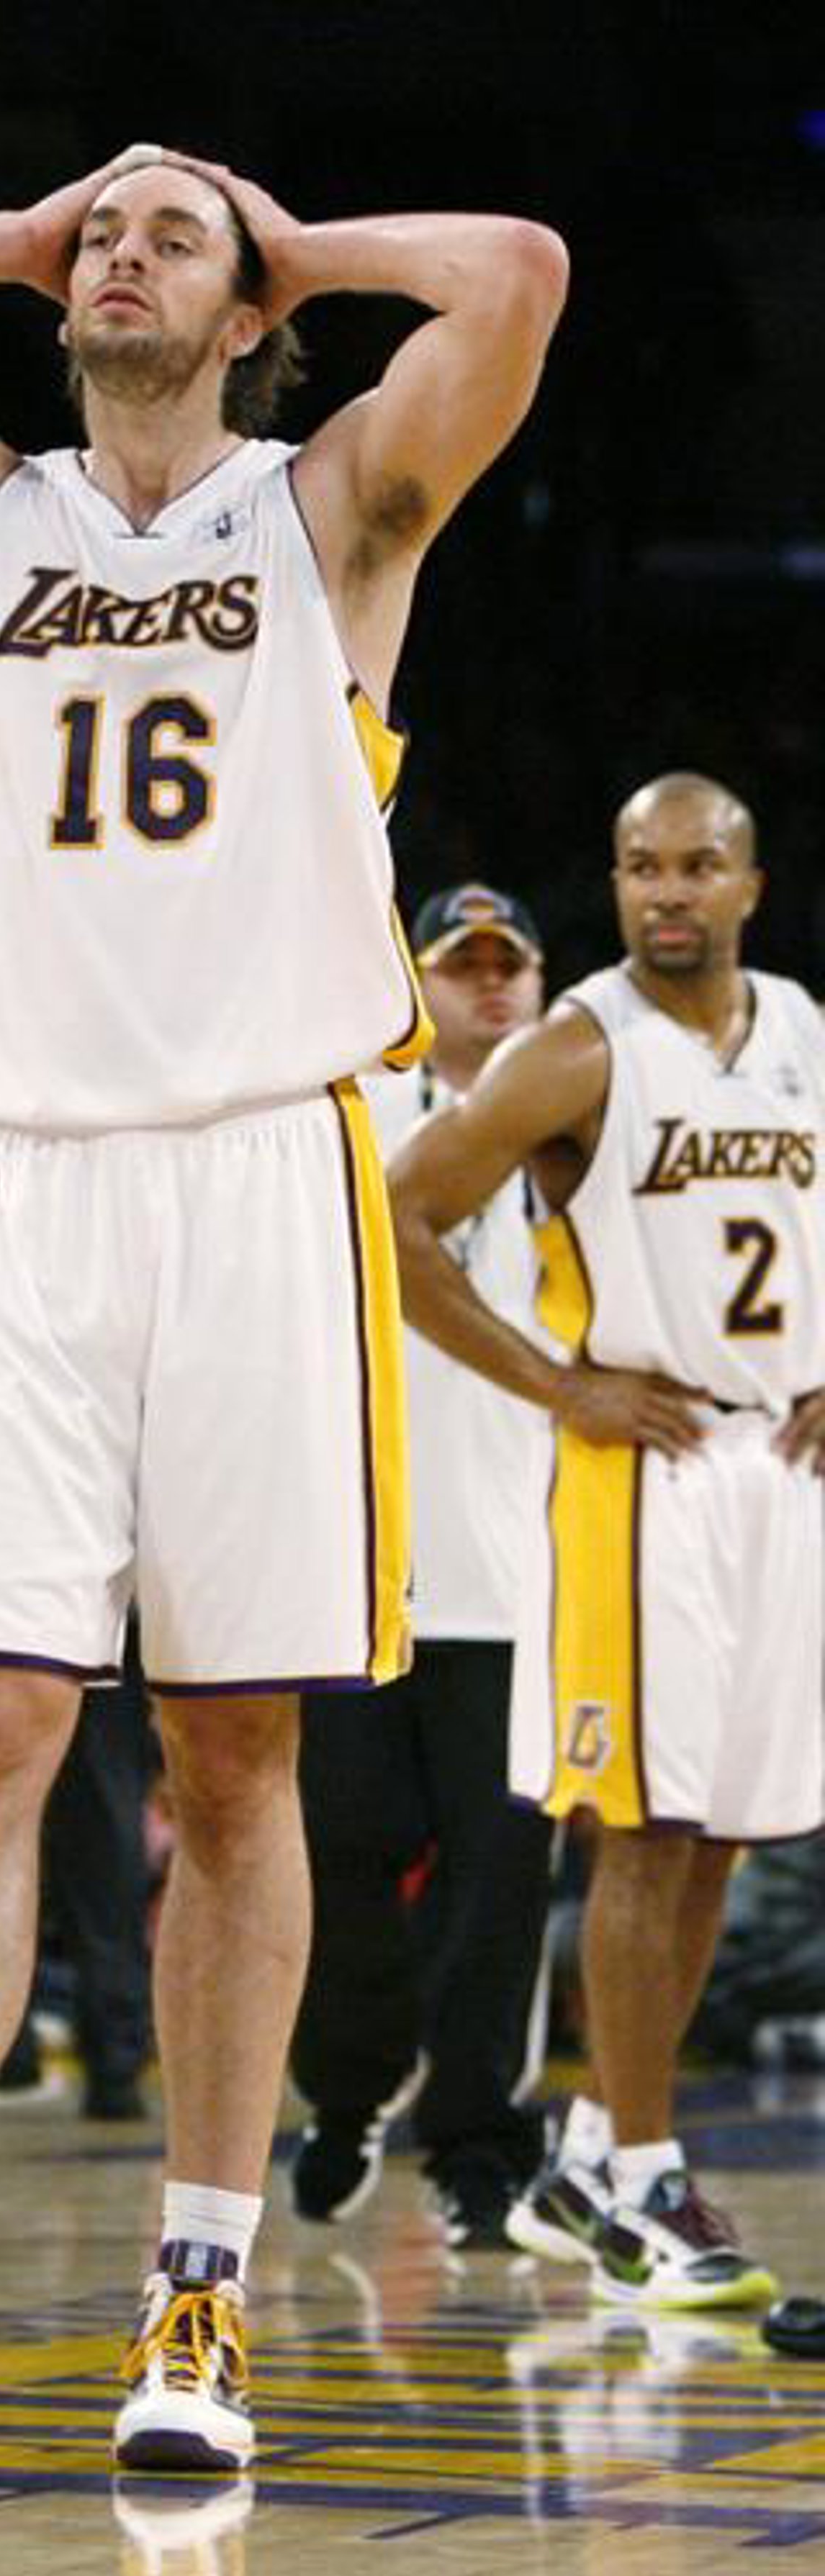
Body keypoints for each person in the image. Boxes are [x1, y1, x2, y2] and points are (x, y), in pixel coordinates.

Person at [0, 142, 567, 2467]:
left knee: (233, 1754)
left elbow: (517, 272)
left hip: (271, 1169)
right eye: (101, 232)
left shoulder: (334, 508)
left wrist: (291, 242)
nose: (121, 249)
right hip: (30, 1176)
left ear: (249, 306)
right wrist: (5, 233)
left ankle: (202, 2300)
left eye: (172, 235)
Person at [387, 770, 825, 2311]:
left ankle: (589, 2160)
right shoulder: (578, 1047)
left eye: (698, 866)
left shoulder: (803, 1034)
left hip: (776, 1466)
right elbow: (399, 1221)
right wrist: (560, 1384)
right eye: (643, 866)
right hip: (640, 1474)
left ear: (750, 885)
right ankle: (642, 2179)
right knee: (641, 1831)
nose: (668, 892)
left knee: (713, 1837)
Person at [290, 883, 553, 2246]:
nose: (492, 983)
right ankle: (346, 2094)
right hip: (356, 1562)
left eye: (514, 963)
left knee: (501, 1884)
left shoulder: (582, 1127)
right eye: (465, 963)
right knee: (340, 1862)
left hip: (520, 1574)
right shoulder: (350, 1117)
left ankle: (477, 2146)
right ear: (417, 979)